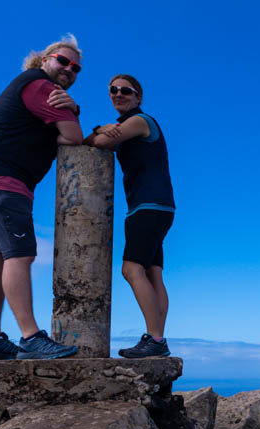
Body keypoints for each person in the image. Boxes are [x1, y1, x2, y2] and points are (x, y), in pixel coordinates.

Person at [0, 35, 83, 360]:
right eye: (63, 61)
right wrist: (72, 110)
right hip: (4, 180)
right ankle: (30, 337)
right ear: (44, 60)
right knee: (20, 255)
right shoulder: (41, 86)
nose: (69, 70)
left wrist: (70, 110)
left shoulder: (35, 87)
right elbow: (73, 137)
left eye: (76, 68)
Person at [85, 74, 175, 358]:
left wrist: (102, 131)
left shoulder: (140, 121)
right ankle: (158, 338)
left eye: (126, 90)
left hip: (147, 206)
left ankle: (155, 339)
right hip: (159, 206)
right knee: (153, 273)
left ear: (138, 97)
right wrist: (101, 128)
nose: (118, 94)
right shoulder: (126, 124)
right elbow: (96, 137)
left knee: (130, 269)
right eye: (113, 90)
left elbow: (97, 143)